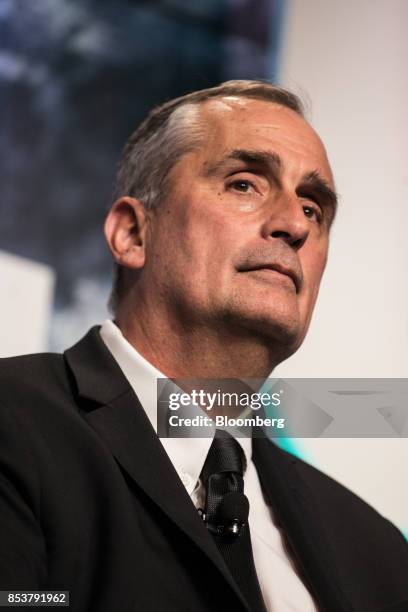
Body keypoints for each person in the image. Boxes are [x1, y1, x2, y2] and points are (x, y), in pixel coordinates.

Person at [0, 80, 407, 612]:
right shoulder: (15, 423)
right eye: (244, 184)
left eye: (313, 209)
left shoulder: (379, 553)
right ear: (132, 234)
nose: (293, 225)